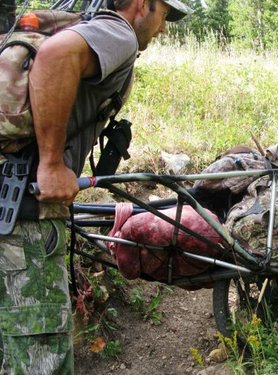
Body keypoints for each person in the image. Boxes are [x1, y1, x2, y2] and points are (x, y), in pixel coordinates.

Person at [0, 0, 192, 373]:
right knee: (39, 356)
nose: (164, 28)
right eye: (164, 15)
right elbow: (56, 57)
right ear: (140, 5)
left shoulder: (78, 22)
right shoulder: (119, 32)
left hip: (10, 201)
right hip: (25, 217)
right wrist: (52, 163)